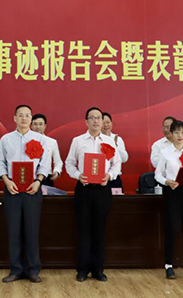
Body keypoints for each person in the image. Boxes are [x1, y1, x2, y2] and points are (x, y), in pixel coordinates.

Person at [65, 107, 120, 282]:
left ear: (103, 121)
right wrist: (77, 175)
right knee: (83, 230)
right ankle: (82, 269)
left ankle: (98, 269)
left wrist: (109, 176)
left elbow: (116, 164)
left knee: (99, 229)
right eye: (92, 118)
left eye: (99, 118)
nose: (96, 121)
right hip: (84, 188)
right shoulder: (78, 141)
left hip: (102, 189)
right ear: (86, 121)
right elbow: (69, 163)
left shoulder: (110, 141)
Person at [0, 104, 50, 283]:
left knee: (32, 230)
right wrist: (6, 181)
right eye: (21, 115)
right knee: (14, 231)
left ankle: (33, 270)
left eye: (27, 115)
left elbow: (44, 163)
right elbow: (0, 163)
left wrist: (38, 181)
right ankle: (16, 269)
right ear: (14, 118)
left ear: (31, 119)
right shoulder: (6, 139)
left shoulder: (40, 139)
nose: (24, 118)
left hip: (32, 188)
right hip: (12, 187)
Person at [154, 119, 183, 280]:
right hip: (171, 191)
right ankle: (169, 265)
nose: (180, 135)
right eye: (176, 132)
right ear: (171, 134)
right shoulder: (165, 152)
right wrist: (167, 181)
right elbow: (158, 174)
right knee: (172, 228)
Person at [30, 114, 62, 187]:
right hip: (30, 177)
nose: (38, 127)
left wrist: (57, 171)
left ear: (45, 126)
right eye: (35, 124)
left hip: (46, 178)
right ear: (31, 126)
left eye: (40, 124)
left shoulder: (52, 142)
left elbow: (58, 161)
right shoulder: (26, 141)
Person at [102, 112, 128, 189]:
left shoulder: (118, 139)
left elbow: (124, 159)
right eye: (103, 123)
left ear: (111, 123)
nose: (106, 125)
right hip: (101, 178)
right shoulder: (96, 139)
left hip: (115, 178)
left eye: (108, 122)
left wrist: (115, 146)